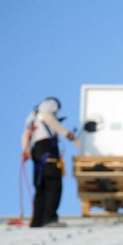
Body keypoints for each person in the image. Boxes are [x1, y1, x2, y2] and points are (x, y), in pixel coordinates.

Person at [21, 97, 77, 227]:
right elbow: (48, 116)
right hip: (47, 149)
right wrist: (66, 133)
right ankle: (49, 219)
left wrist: (26, 150)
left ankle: (37, 221)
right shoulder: (48, 105)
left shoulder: (32, 116)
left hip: (37, 152)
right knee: (53, 185)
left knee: (41, 187)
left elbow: (25, 134)